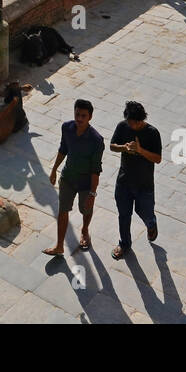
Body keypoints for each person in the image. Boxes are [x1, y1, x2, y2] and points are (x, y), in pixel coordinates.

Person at [44, 99, 104, 256]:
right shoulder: (67, 128)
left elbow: (96, 170)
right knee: (63, 210)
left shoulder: (96, 140)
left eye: (83, 116)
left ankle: (85, 230)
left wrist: (92, 193)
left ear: (90, 117)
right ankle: (59, 246)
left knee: (86, 210)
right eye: (77, 114)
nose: (79, 118)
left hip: (85, 183)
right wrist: (54, 170)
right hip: (68, 178)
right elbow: (63, 149)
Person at [109, 101, 164, 259]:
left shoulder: (153, 133)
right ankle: (124, 243)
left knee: (143, 211)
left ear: (141, 120)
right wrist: (124, 148)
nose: (131, 125)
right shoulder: (122, 126)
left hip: (144, 184)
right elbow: (112, 146)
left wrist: (139, 150)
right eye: (129, 122)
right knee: (124, 215)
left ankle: (151, 223)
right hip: (124, 181)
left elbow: (158, 159)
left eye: (134, 122)